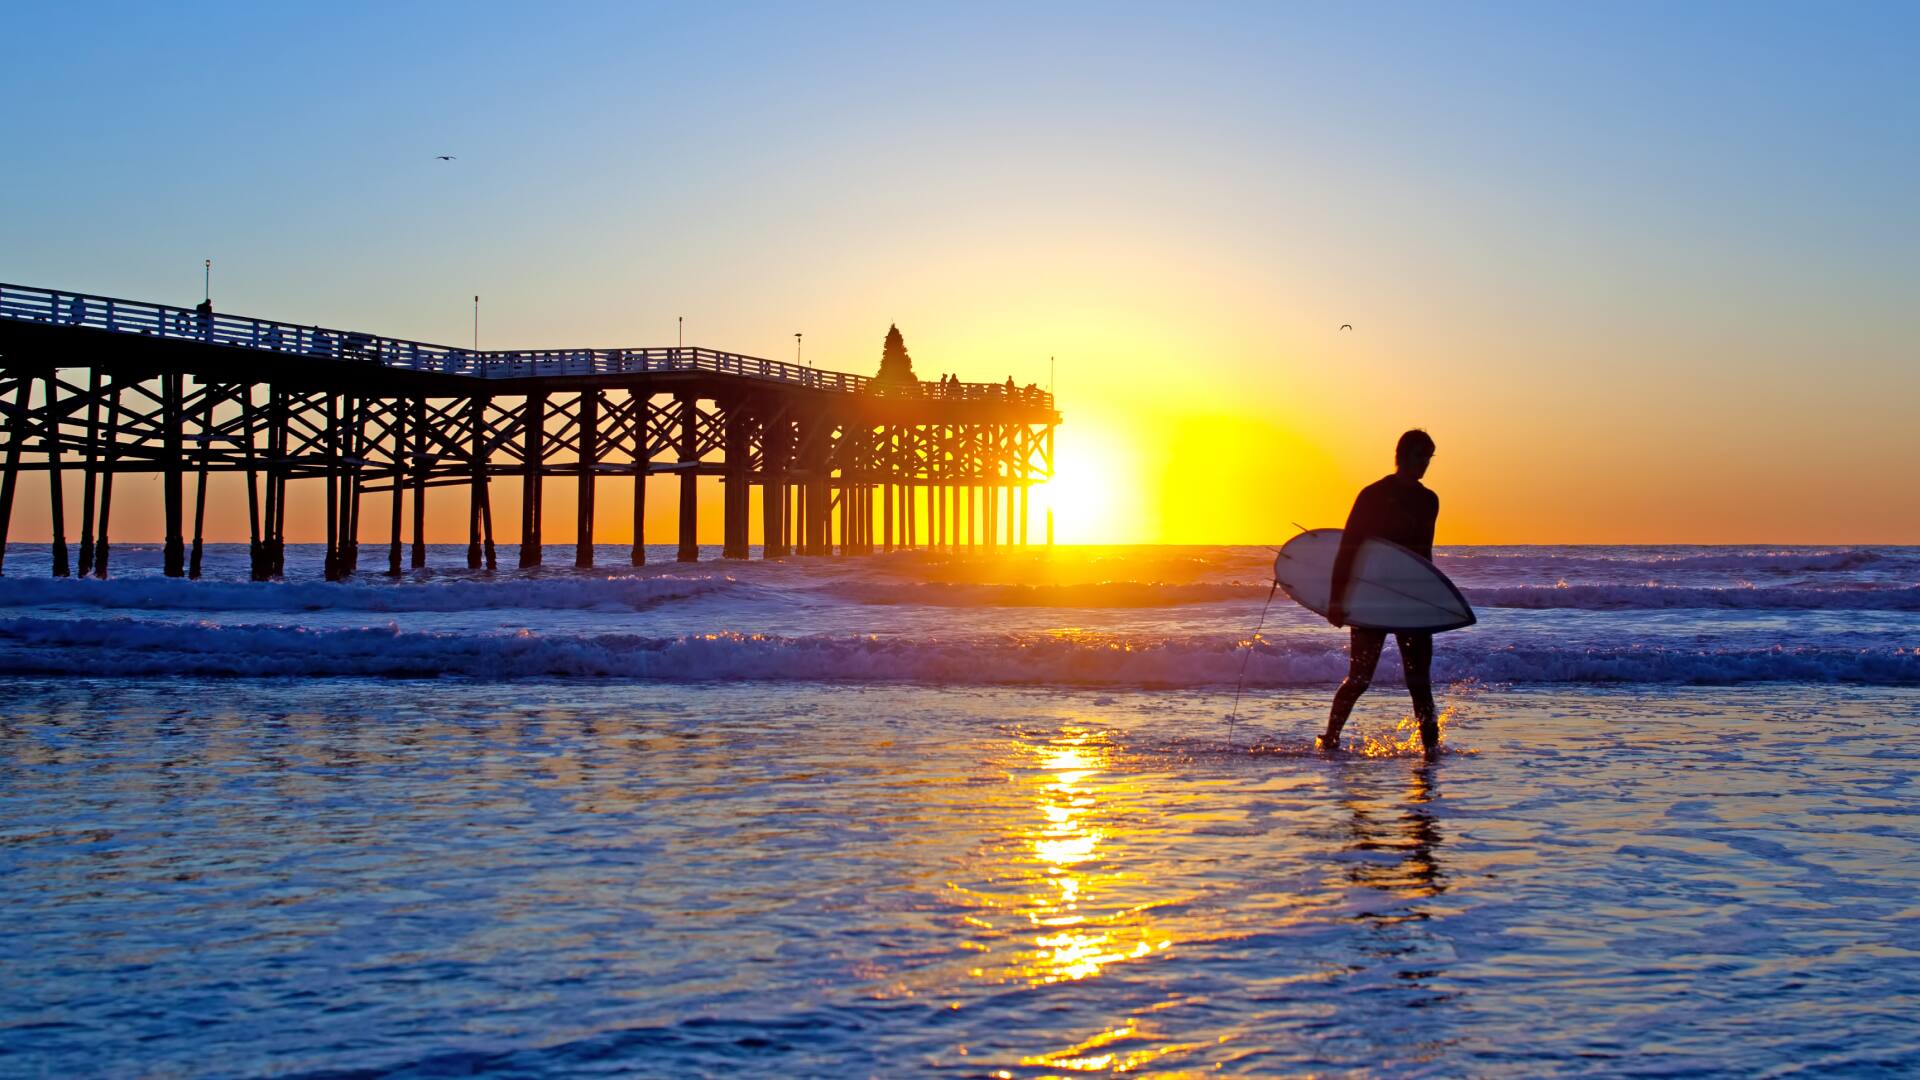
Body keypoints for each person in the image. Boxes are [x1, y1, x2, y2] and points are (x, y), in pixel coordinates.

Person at [1320, 429, 1441, 757]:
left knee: (1419, 684)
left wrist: (1432, 603)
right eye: (1420, 457)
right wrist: (1336, 599)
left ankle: (1432, 751)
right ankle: (1329, 738)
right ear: (1402, 456)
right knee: (1359, 678)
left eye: (1429, 458)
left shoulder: (1429, 500)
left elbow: (1422, 556)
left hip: (1410, 602)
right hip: (1371, 598)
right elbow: (1349, 549)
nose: (1425, 464)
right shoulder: (1372, 495)